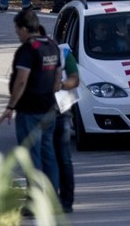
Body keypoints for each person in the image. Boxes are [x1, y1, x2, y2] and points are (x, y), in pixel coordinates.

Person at [0, 8, 62, 202]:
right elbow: (58, 76)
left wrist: (10, 107)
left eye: (17, 31)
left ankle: (35, 200)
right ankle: (53, 198)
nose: (17, 35)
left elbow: (21, 80)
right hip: (49, 107)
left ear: (24, 29)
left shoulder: (27, 49)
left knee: (31, 156)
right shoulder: (52, 45)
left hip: (30, 110)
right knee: (48, 153)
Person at [54, 44, 79, 213]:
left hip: (56, 110)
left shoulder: (62, 51)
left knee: (59, 157)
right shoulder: (61, 51)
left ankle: (64, 200)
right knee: (60, 157)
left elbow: (75, 79)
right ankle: (63, 201)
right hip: (56, 110)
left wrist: (60, 85)